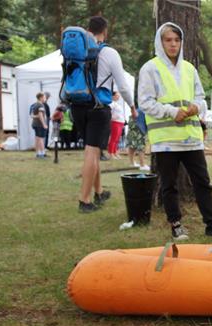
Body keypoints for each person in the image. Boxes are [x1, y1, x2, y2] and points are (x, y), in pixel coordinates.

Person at [138, 22, 212, 240]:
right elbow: (144, 102)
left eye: (176, 40)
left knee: (203, 182)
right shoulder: (150, 68)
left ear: (181, 42)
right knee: (169, 185)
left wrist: (196, 107)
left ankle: (211, 224)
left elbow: (201, 99)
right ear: (160, 42)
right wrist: (173, 112)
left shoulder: (189, 69)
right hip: (165, 139)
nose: (173, 44)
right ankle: (176, 225)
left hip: (191, 138)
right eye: (168, 40)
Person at [70, 16, 136, 213]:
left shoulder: (76, 51)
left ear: (88, 29)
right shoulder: (109, 52)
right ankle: (84, 200)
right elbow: (122, 85)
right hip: (99, 108)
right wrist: (132, 106)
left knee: (93, 150)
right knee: (92, 151)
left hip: (77, 106)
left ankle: (99, 192)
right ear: (104, 31)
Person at [107, 91, 125, 159]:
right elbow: (108, 112)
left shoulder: (117, 104)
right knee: (113, 138)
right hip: (115, 122)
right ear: (113, 96)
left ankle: (115, 152)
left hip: (120, 122)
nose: (118, 97)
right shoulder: (111, 103)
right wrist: (112, 118)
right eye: (117, 95)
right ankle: (111, 153)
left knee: (117, 139)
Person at [30, 92, 48, 158]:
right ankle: (42, 154)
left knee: (37, 138)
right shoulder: (41, 105)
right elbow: (40, 115)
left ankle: (37, 153)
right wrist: (44, 124)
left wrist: (36, 116)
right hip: (40, 124)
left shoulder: (34, 105)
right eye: (44, 97)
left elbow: (32, 115)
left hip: (34, 124)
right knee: (41, 139)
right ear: (41, 97)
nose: (45, 99)